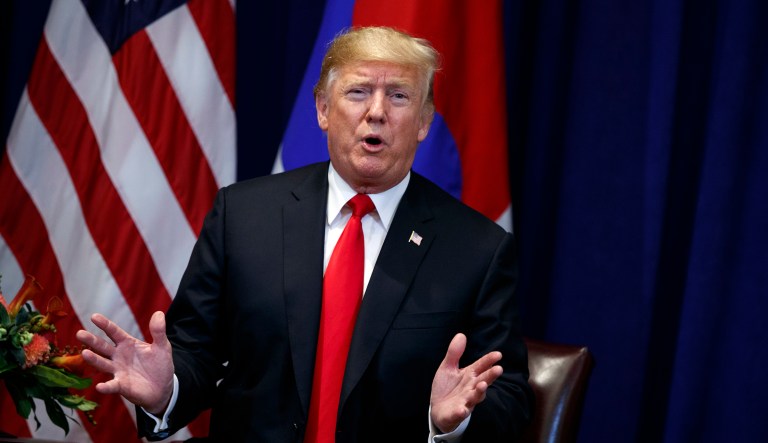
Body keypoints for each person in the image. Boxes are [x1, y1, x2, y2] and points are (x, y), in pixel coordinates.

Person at [77, 26, 533, 442]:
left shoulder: (477, 249)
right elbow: (196, 351)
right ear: (322, 110)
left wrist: (453, 421)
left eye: (398, 96)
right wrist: (166, 391)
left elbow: (509, 399)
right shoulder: (243, 216)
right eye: (358, 92)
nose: (376, 112)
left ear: (424, 121)